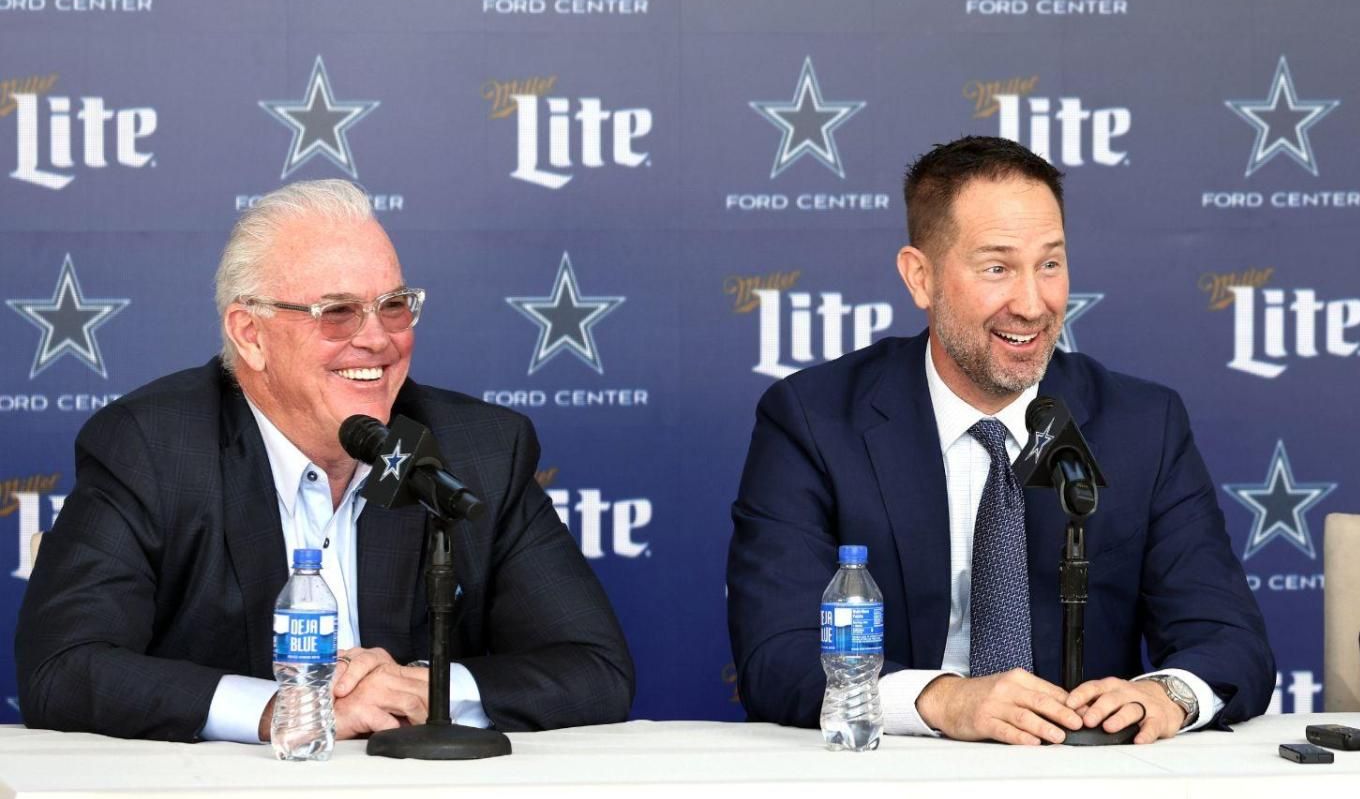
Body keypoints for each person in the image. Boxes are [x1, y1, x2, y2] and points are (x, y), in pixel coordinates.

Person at [16, 180, 634, 742]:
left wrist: (428, 689)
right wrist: (285, 710)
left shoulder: (479, 448)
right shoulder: (152, 446)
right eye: (336, 312)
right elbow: (64, 667)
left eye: (393, 305)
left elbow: (595, 666)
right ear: (250, 334)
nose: (376, 338)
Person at [728, 136, 1272, 746]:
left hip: (1085, 789)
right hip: (891, 785)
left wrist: (1164, 695)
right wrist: (943, 700)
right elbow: (777, 655)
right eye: (997, 268)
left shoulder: (1142, 423)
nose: (1033, 304)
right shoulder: (815, 420)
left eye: (1050, 264)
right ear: (920, 277)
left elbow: (1230, 641)